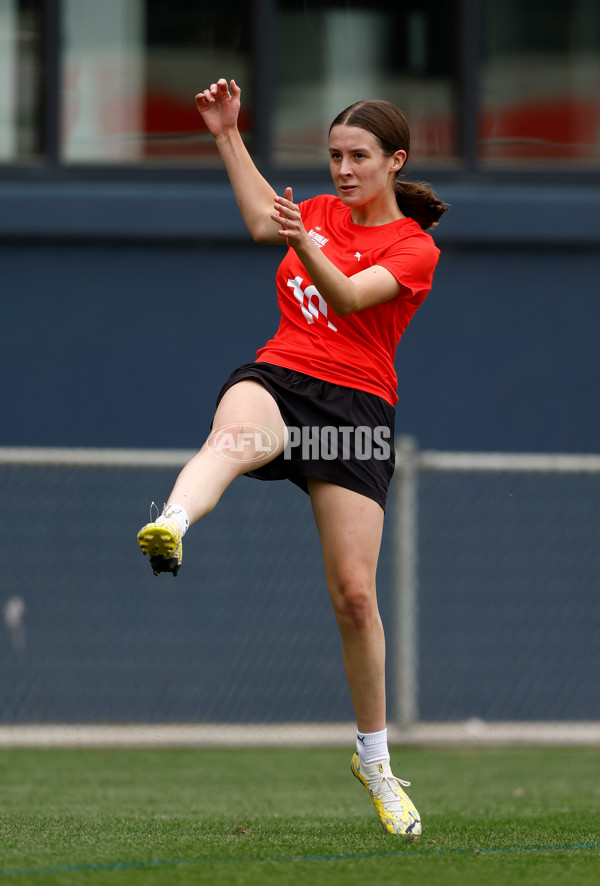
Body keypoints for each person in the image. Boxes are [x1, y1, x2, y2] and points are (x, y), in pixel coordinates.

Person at [137, 78, 447, 838]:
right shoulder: (315, 212)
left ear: (393, 161)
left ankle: (374, 760)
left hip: (355, 412)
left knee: (354, 597)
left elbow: (345, 296)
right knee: (231, 440)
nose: (341, 170)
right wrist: (225, 132)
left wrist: (304, 238)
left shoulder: (414, 246)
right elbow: (256, 220)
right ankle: (171, 523)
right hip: (282, 376)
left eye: (358, 157)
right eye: (334, 156)